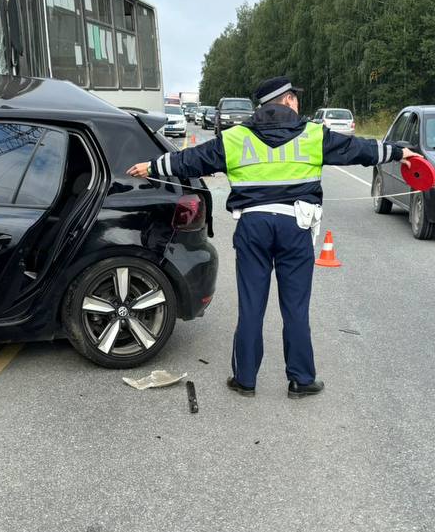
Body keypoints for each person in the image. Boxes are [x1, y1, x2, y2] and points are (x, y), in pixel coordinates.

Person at [127, 76, 415, 398]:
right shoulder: (313, 135)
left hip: (253, 228)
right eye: (296, 98)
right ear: (288, 100)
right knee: (295, 308)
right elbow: (359, 150)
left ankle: (245, 380)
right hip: (296, 228)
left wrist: (152, 166)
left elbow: (192, 159)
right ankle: (302, 380)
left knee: (251, 305)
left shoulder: (236, 137)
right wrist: (398, 152)